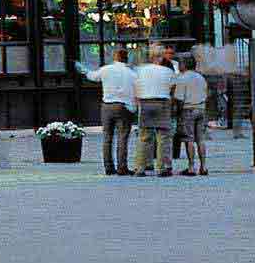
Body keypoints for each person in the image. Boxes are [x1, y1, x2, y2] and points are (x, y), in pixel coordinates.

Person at [83, 46, 138, 176]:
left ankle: (108, 167)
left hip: (107, 106)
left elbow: (92, 76)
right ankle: (122, 167)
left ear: (115, 57)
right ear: (126, 58)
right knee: (122, 137)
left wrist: (83, 69)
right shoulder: (131, 73)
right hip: (124, 107)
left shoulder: (106, 69)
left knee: (107, 137)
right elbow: (137, 88)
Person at [130, 45, 179, 177]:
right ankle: (162, 167)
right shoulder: (168, 71)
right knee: (163, 137)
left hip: (145, 103)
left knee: (144, 137)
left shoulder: (140, 70)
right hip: (162, 103)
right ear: (160, 57)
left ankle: (140, 167)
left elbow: (135, 86)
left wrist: (138, 101)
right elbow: (174, 87)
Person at [173, 52, 210, 176]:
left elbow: (179, 98)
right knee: (201, 139)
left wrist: (177, 113)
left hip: (188, 109)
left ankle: (191, 167)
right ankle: (204, 167)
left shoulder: (182, 78)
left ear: (184, 65)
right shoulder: (201, 77)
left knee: (189, 139)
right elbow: (206, 94)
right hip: (201, 108)